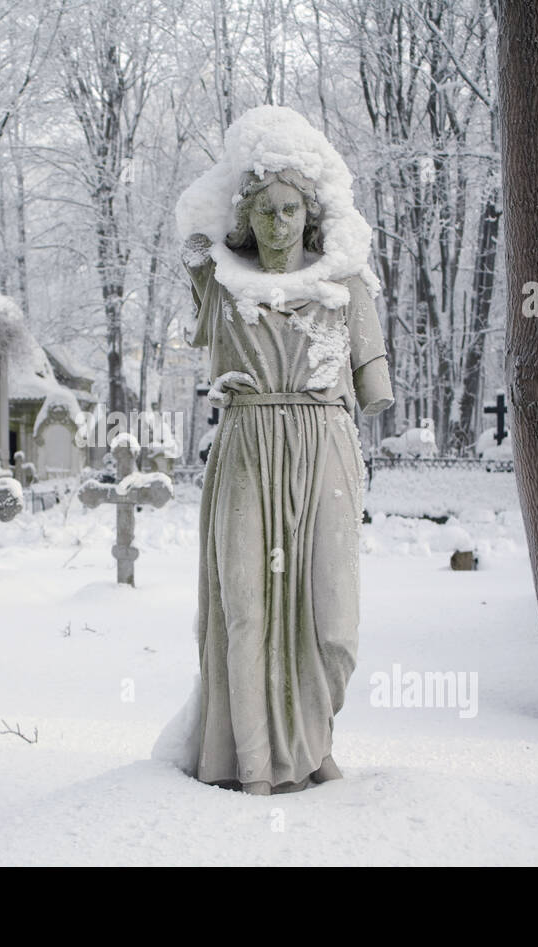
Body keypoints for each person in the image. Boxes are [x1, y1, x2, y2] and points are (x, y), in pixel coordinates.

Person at [183, 155, 394, 795]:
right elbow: (194, 253)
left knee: (333, 623)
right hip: (248, 445)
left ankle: (310, 742)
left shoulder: (346, 283)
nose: (277, 224)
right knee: (246, 607)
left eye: (289, 209)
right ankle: (250, 762)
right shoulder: (221, 282)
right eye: (263, 210)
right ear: (245, 217)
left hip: (323, 446)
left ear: (310, 213)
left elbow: (373, 385)